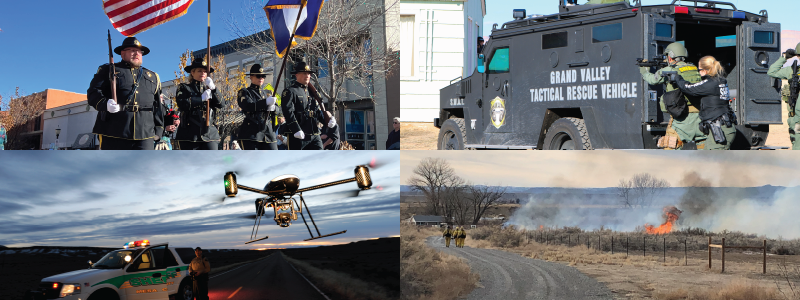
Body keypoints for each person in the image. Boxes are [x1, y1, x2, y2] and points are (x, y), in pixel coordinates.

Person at [88, 37, 164, 150]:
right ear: (122, 53)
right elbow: (93, 93)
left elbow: (158, 106)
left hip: (145, 132)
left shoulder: (153, 76)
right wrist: (105, 104)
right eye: (132, 50)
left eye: (139, 51)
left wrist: (159, 129)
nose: (136, 53)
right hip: (114, 130)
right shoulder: (108, 70)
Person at [640, 42, 704, 149]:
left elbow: (652, 80)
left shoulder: (669, 70)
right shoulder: (694, 68)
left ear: (670, 57)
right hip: (700, 117)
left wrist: (644, 71)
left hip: (681, 119)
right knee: (707, 155)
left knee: (669, 150)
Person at [672, 56, 737, 150]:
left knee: (713, 161)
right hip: (724, 127)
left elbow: (688, 88)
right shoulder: (720, 81)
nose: (698, 72)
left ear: (705, 70)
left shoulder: (710, 84)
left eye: (699, 69)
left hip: (721, 130)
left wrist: (677, 78)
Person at [280, 61, 336, 150]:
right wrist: (296, 129)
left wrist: (327, 121)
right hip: (299, 133)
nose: (307, 76)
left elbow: (316, 111)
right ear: (297, 75)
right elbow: (288, 112)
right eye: (304, 73)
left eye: (309, 74)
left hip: (314, 132)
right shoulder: (290, 91)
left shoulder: (312, 92)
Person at [175, 58, 223, 150]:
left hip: (209, 133)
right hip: (190, 133)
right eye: (199, 71)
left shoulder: (210, 89)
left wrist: (214, 89)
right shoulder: (184, 87)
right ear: (192, 73)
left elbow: (221, 104)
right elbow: (182, 104)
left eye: (205, 71)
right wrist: (200, 99)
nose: (203, 73)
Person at [237, 64, 279, 150]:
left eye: (263, 76)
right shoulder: (245, 92)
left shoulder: (268, 93)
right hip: (252, 133)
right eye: (258, 76)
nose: (261, 78)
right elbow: (248, 106)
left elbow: (279, 109)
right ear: (251, 77)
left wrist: (274, 108)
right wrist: (265, 102)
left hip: (268, 133)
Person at [768, 42, 800, 150]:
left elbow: (772, 71)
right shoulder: (793, 70)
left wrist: (785, 57)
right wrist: (784, 57)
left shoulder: (792, 71)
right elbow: (771, 72)